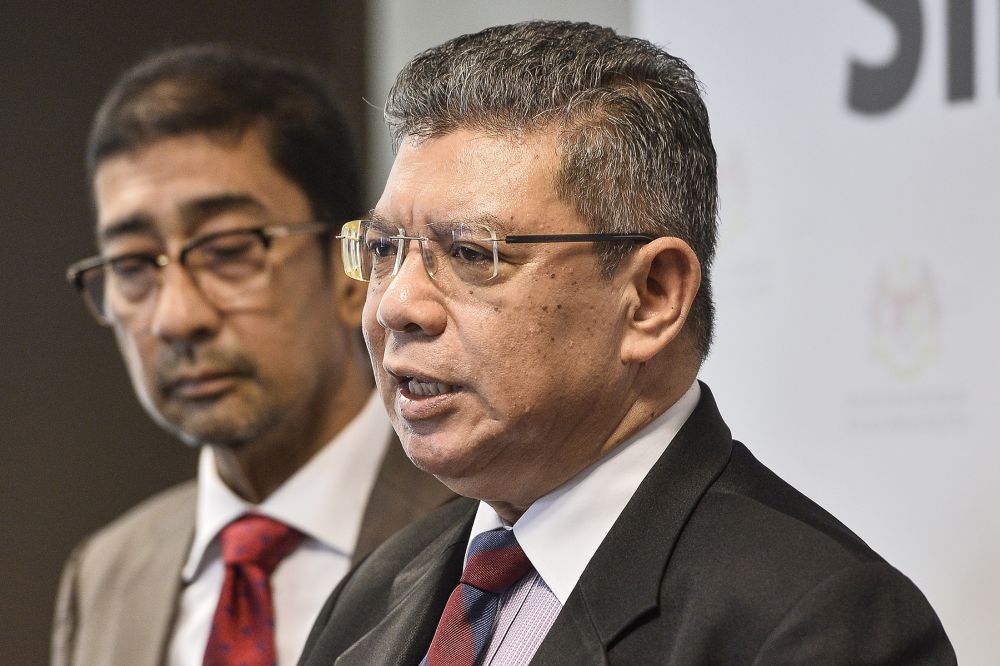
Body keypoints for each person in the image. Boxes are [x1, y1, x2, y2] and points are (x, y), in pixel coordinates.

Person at [300, 20, 956, 665]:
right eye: (383, 249)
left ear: (652, 297)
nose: (396, 304)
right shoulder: (372, 595)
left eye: (472, 253)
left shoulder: (824, 625)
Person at [52, 44, 453, 666]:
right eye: (132, 265)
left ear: (356, 266)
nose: (177, 317)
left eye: (229, 250)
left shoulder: (484, 533)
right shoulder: (105, 576)